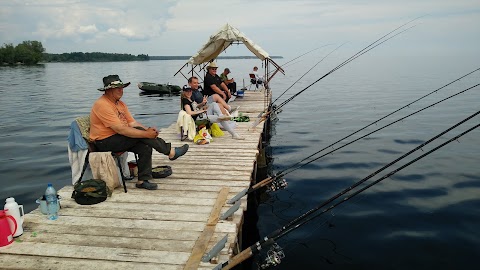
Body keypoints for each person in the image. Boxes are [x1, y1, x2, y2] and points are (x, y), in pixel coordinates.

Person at [90, 74, 189, 190]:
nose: (121, 90)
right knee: (141, 135)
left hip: (118, 138)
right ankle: (170, 151)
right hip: (104, 142)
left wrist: (147, 130)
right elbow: (120, 129)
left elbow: (132, 123)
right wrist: (146, 134)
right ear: (108, 90)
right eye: (118, 88)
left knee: (145, 145)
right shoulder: (102, 104)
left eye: (122, 87)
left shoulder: (120, 104)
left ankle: (143, 180)